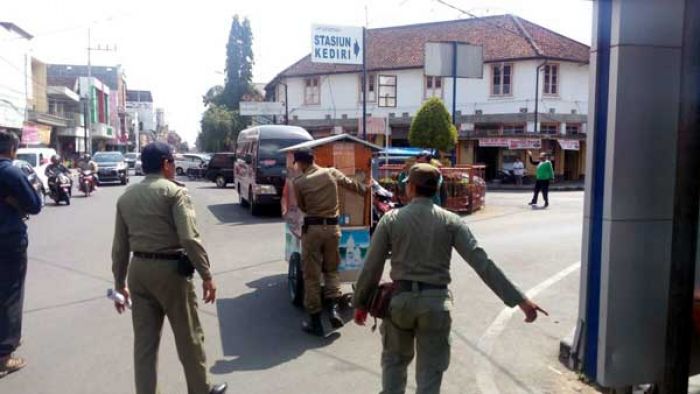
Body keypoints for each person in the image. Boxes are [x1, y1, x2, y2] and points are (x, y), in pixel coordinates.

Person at [352, 163, 547, 394]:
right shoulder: (451, 221)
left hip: (400, 304)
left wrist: (360, 304)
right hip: (436, 306)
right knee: (430, 377)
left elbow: (371, 268)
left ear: (411, 188)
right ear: (436, 189)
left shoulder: (391, 219)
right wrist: (521, 301)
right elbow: (482, 263)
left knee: (394, 365)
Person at [111, 142, 227, 394]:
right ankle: (201, 389)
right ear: (165, 164)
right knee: (189, 338)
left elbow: (119, 249)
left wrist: (120, 286)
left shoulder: (126, 197)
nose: (174, 167)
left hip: (138, 271)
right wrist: (207, 275)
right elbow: (189, 238)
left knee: (144, 346)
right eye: (173, 162)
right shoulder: (175, 193)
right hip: (171, 272)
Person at [292, 147, 368, 337]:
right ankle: (334, 310)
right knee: (332, 270)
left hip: (313, 230)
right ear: (314, 159)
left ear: (300, 163)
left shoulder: (299, 182)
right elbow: (355, 187)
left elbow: (302, 207)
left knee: (311, 275)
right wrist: (367, 186)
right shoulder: (331, 172)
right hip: (334, 230)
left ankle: (315, 321)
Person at [0, 131, 42, 378]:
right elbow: (34, 205)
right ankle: (5, 354)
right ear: (13, 149)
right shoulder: (11, 172)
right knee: (10, 294)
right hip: (8, 241)